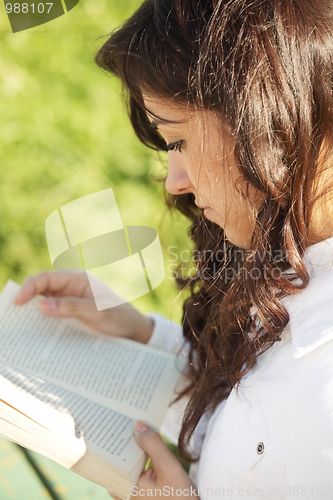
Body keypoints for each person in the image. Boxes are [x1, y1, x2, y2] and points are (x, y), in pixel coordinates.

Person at [14, 0, 333, 498]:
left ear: (267, 123)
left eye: (177, 140)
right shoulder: (293, 267)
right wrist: (142, 339)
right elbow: (258, 425)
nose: (176, 181)